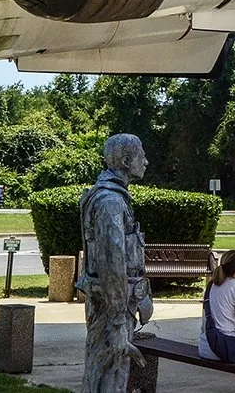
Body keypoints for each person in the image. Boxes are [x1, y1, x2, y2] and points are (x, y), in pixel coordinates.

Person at [76, 134, 154, 393]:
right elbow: (113, 266)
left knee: (111, 374)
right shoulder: (110, 202)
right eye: (141, 155)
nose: (146, 161)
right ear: (125, 160)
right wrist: (119, 323)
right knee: (108, 376)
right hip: (112, 311)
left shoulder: (114, 198)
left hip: (115, 308)